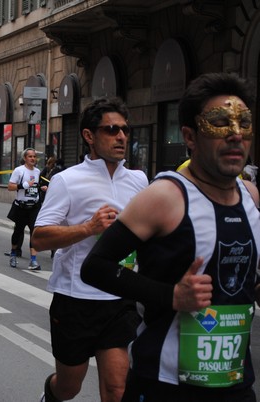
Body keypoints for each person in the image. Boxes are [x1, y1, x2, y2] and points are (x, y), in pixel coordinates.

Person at [80, 73, 259, 401]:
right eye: (220, 123)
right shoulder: (165, 196)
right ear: (190, 136)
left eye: (244, 123)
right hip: (165, 383)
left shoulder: (251, 197)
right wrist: (171, 296)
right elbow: (96, 266)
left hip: (236, 382)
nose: (236, 135)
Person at [32, 97, 148, 402]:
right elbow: (40, 238)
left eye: (125, 130)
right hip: (76, 299)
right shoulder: (67, 181)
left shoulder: (139, 180)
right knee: (69, 387)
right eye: (111, 130)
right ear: (89, 136)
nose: (121, 136)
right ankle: (51, 394)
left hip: (119, 298)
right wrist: (89, 228)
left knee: (117, 387)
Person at [6, 148, 47, 270]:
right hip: (21, 207)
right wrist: (22, 186)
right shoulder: (19, 171)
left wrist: (42, 188)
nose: (33, 159)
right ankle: (13, 254)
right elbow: (10, 187)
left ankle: (33, 260)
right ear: (25, 158)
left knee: (34, 233)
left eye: (34, 156)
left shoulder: (38, 171)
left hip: (34, 207)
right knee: (18, 232)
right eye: (30, 157)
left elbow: (35, 186)